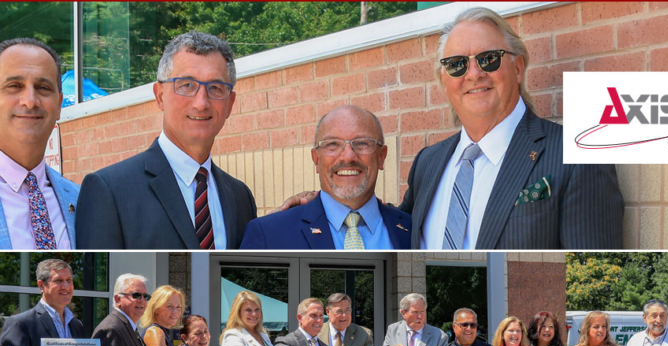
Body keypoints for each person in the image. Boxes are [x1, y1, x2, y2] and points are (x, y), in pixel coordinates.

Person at [399, 7, 623, 249]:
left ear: (517, 68)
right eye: (457, 64)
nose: (474, 74)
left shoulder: (577, 156)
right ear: (445, 80)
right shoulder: (427, 163)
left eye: (488, 59)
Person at [76, 30, 256, 249]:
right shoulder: (109, 191)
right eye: (186, 85)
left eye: (215, 88)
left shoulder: (240, 197)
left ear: (230, 103)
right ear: (160, 95)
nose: (201, 102)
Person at [240, 105, 411, 250]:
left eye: (362, 143)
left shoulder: (413, 230)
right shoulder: (269, 234)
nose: (348, 156)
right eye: (333, 145)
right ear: (316, 159)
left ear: (381, 156)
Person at [0, 38, 79, 249]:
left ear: (59, 105)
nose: (30, 100)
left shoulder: (82, 200)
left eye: (43, 88)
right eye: (14, 86)